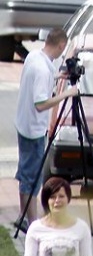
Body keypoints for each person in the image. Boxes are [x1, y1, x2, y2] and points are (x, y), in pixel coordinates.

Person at [15, 28, 75, 226]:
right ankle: (31, 221)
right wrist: (66, 94)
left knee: (26, 172)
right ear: (60, 45)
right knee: (32, 177)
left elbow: (39, 82)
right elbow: (41, 104)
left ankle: (24, 216)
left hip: (23, 123)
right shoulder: (42, 70)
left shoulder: (34, 57)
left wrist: (58, 77)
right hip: (34, 130)